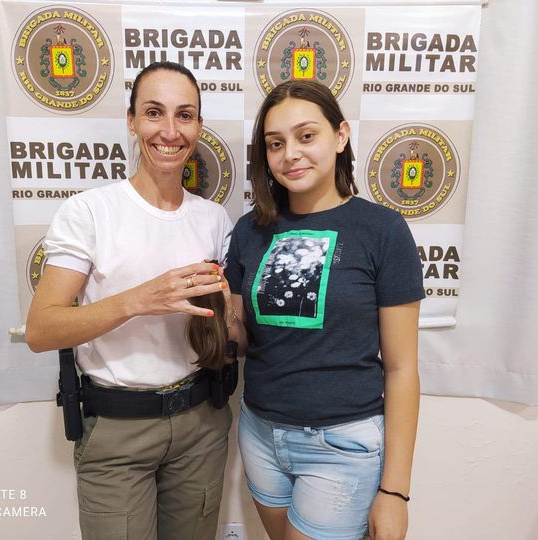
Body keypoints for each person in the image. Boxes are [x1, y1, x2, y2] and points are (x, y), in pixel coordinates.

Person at [25, 61, 234, 540]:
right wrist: (139, 299)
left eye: (184, 115)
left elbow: (229, 325)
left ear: (199, 126)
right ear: (132, 121)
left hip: (201, 424)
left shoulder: (215, 220)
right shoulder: (90, 211)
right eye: (154, 112)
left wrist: (230, 318)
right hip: (117, 432)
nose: (170, 131)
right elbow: (41, 330)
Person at [225, 80, 424, 540]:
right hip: (260, 434)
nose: (290, 154)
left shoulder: (382, 230)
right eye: (276, 143)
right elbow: (243, 340)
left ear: (340, 136)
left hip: (341, 444)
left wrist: (395, 491)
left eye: (306, 136)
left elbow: (402, 369)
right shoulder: (250, 231)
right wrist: (213, 312)